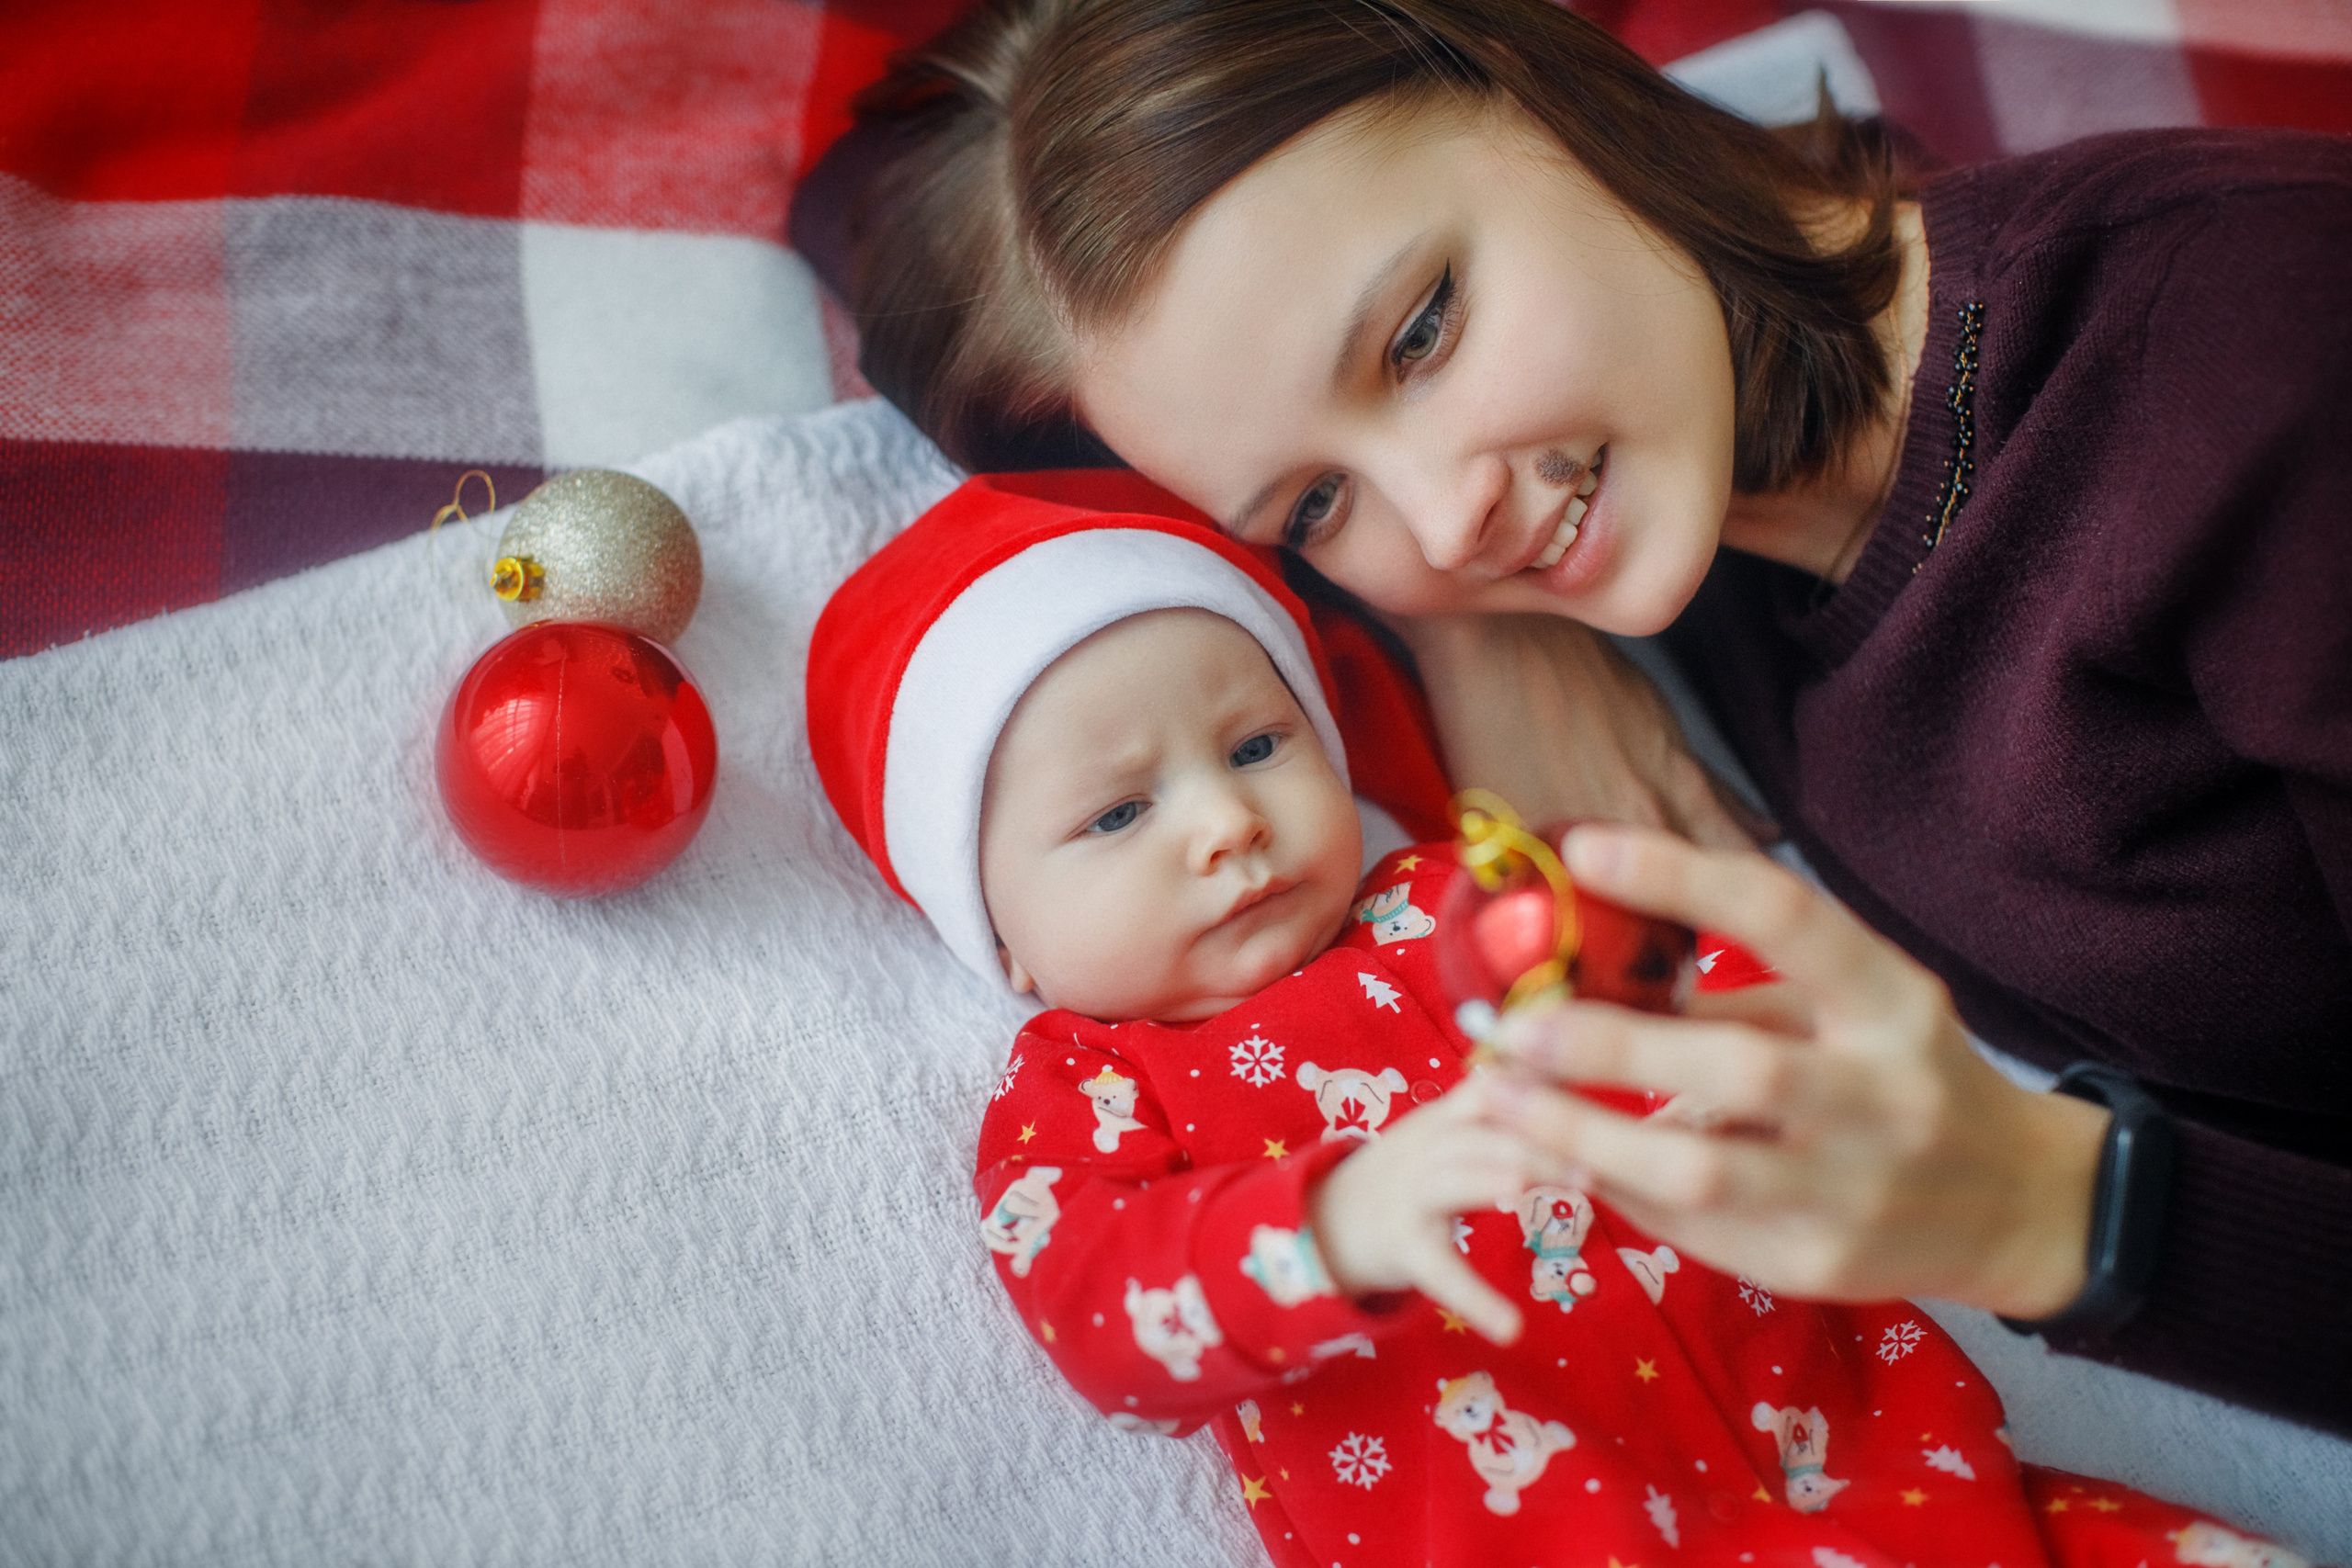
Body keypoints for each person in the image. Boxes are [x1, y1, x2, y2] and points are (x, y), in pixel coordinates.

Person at [827, 0, 2352, 1436]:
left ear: (1538, 77)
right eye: (1318, 504)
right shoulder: (1669, 480)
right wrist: (1474, 629)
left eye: (1421, 333)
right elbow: (880, 226)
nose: (1443, 519)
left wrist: (2060, 1211)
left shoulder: (2259, 359)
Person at [803, 469, 2282, 1568]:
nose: (1224, 826)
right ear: (1002, 939)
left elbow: (1700, 980)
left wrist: (1770, 1057)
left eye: (1257, 744)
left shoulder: (1466, 898)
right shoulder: (1086, 1089)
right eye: (1119, 812)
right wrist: (1332, 1225)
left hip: (1907, 1484)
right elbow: (1102, 1313)